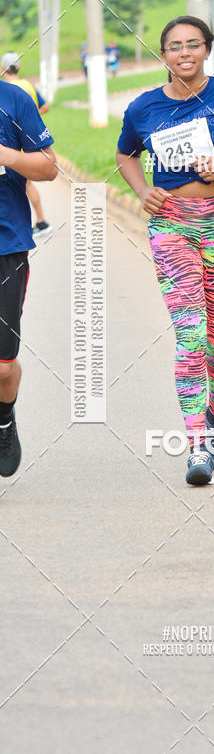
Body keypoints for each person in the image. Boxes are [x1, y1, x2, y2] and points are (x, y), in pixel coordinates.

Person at [115, 15, 214, 487]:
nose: (184, 53)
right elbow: (125, 154)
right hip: (172, 226)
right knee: (191, 335)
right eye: (174, 46)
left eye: (193, 44)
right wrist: (142, 190)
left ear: (207, 48)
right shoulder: (143, 107)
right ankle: (196, 445)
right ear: (163, 54)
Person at [0, 81, 57, 478]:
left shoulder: (14, 99)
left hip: (6, 246)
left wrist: (6, 154)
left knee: (3, 369)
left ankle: (4, 419)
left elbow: (49, 167)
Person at [1, 52, 53, 238]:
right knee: (26, 183)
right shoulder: (27, 86)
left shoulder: (7, 90)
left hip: (14, 143)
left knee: (25, 183)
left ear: (2, 69)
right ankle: (40, 220)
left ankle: (41, 221)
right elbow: (45, 107)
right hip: (31, 139)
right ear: (19, 67)